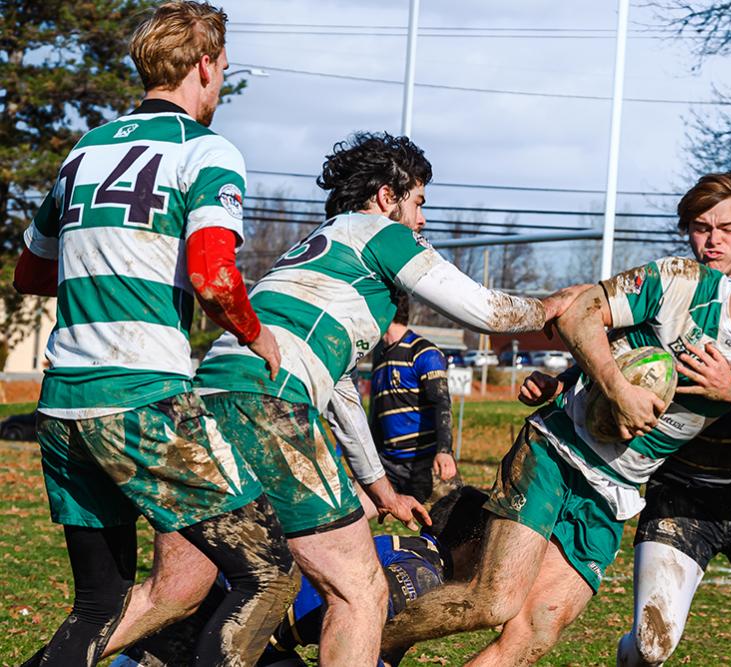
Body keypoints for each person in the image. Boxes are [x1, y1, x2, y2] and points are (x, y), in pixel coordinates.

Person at [101, 131, 588, 665]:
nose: (422, 220)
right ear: (387, 195)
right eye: (419, 202)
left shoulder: (316, 252)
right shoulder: (381, 232)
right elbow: (485, 312)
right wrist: (551, 308)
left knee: (174, 592)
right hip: (266, 404)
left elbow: (339, 392)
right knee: (360, 591)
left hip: (203, 402)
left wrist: (382, 492)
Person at [381, 226, 731, 665]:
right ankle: (366, 644)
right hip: (557, 452)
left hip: (614, 492)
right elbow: (581, 312)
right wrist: (618, 390)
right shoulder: (682, 282)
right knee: (494, 602)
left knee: (536, 630)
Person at [12, 3, 299, 665]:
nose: (221, 82)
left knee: (99, 608)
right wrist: (257, 336)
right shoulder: (207, 150)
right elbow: (214, 278)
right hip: (142, 400)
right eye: (222, 68)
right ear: (204, 64)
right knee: (269, 572)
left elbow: (32, 270)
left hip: (62, 407)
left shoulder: (84, 151)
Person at [522, 173, 731, 666]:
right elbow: (623, 348)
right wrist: (564, 381)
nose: (712, 241)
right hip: (680, 489)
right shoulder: (681, 285)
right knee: (650, 648)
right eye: (699, 227)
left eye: (727, 228)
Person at [109, 486, 491, 667]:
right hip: (239, 631)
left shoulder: (401, 543)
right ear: (475, 547)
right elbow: (362, 641)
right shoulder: (424, 576)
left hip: (225, 600)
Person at [370, 293, 459, 503]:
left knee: (454, 528)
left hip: (426, 464)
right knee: (350, 520)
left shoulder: (423, 352)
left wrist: (444, 451)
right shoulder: (379, 357)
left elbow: (442, 403)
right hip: (387, 467)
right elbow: (375, 416)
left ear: (384, 312)